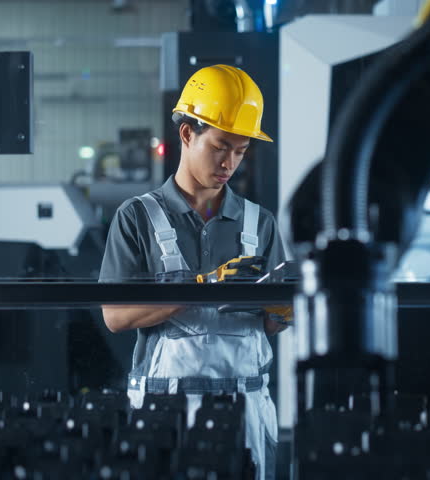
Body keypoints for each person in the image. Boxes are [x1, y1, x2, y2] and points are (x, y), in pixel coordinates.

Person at [98, 64, 290, 480]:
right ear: (187, 134)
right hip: (166, 416)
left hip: (247, 416)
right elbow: (114, 317)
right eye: (221, 146)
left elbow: (270, 327)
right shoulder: (138, 218)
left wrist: (284, 310)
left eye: (240, 151)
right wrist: (202, 287)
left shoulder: (260, 224)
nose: (230, 163)